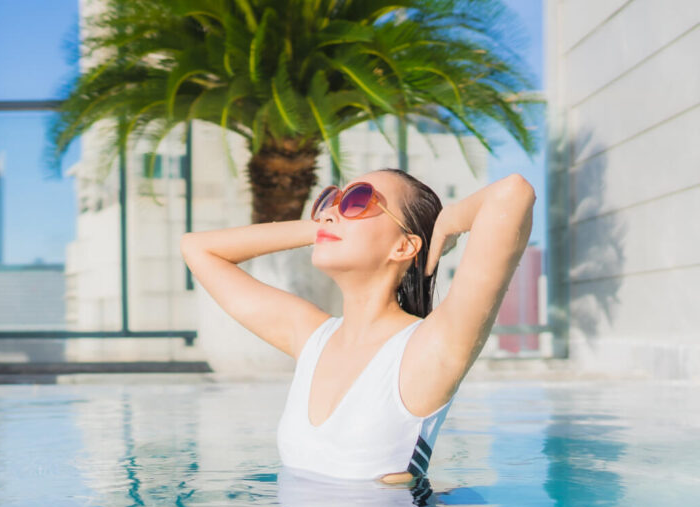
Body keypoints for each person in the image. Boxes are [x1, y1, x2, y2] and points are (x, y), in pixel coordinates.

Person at [180, 168, 536, 483]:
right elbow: (197, 249)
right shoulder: (310, 336)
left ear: (404, 245)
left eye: (359, 199)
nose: (333, 211)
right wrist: (321, 226)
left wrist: (445, 224)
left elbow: (514, 192)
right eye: (330, 200)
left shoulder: (428, 348)